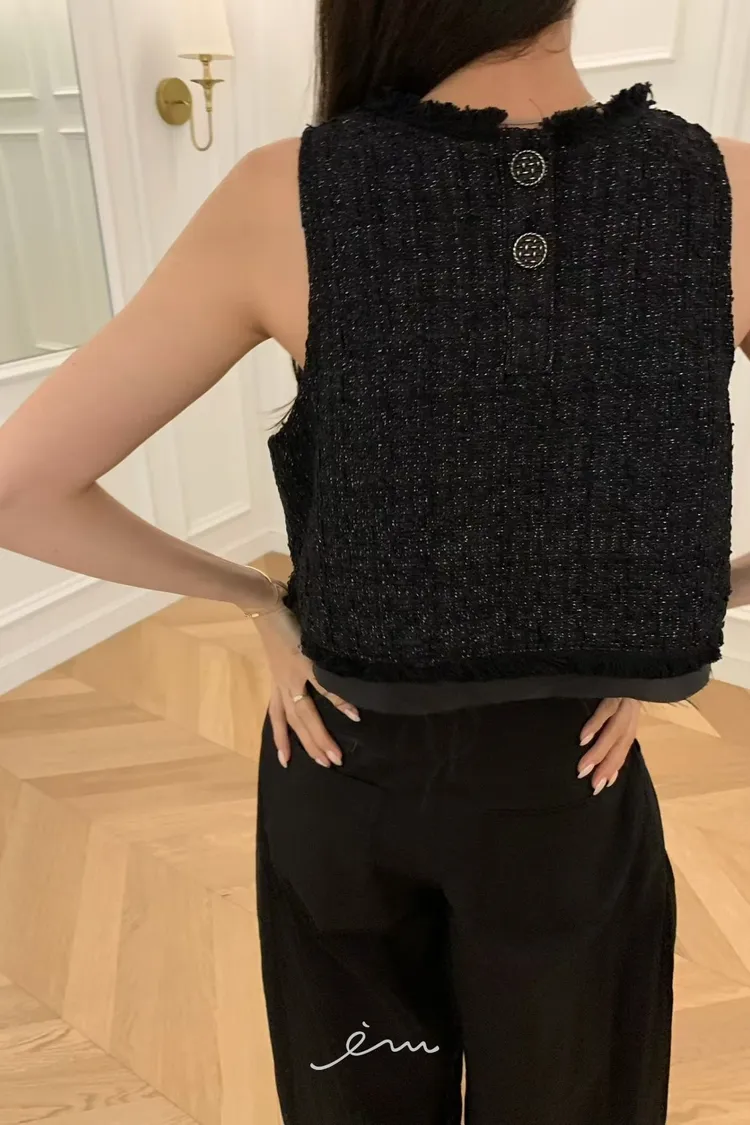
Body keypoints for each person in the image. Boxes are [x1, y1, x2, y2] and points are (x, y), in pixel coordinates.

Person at [1, 1, 750, 1122]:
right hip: (567, 781)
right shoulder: (728, 191)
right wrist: (672, 602)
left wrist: (258, 600)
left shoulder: (283, 193)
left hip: (342, 764)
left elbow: (20, 487)